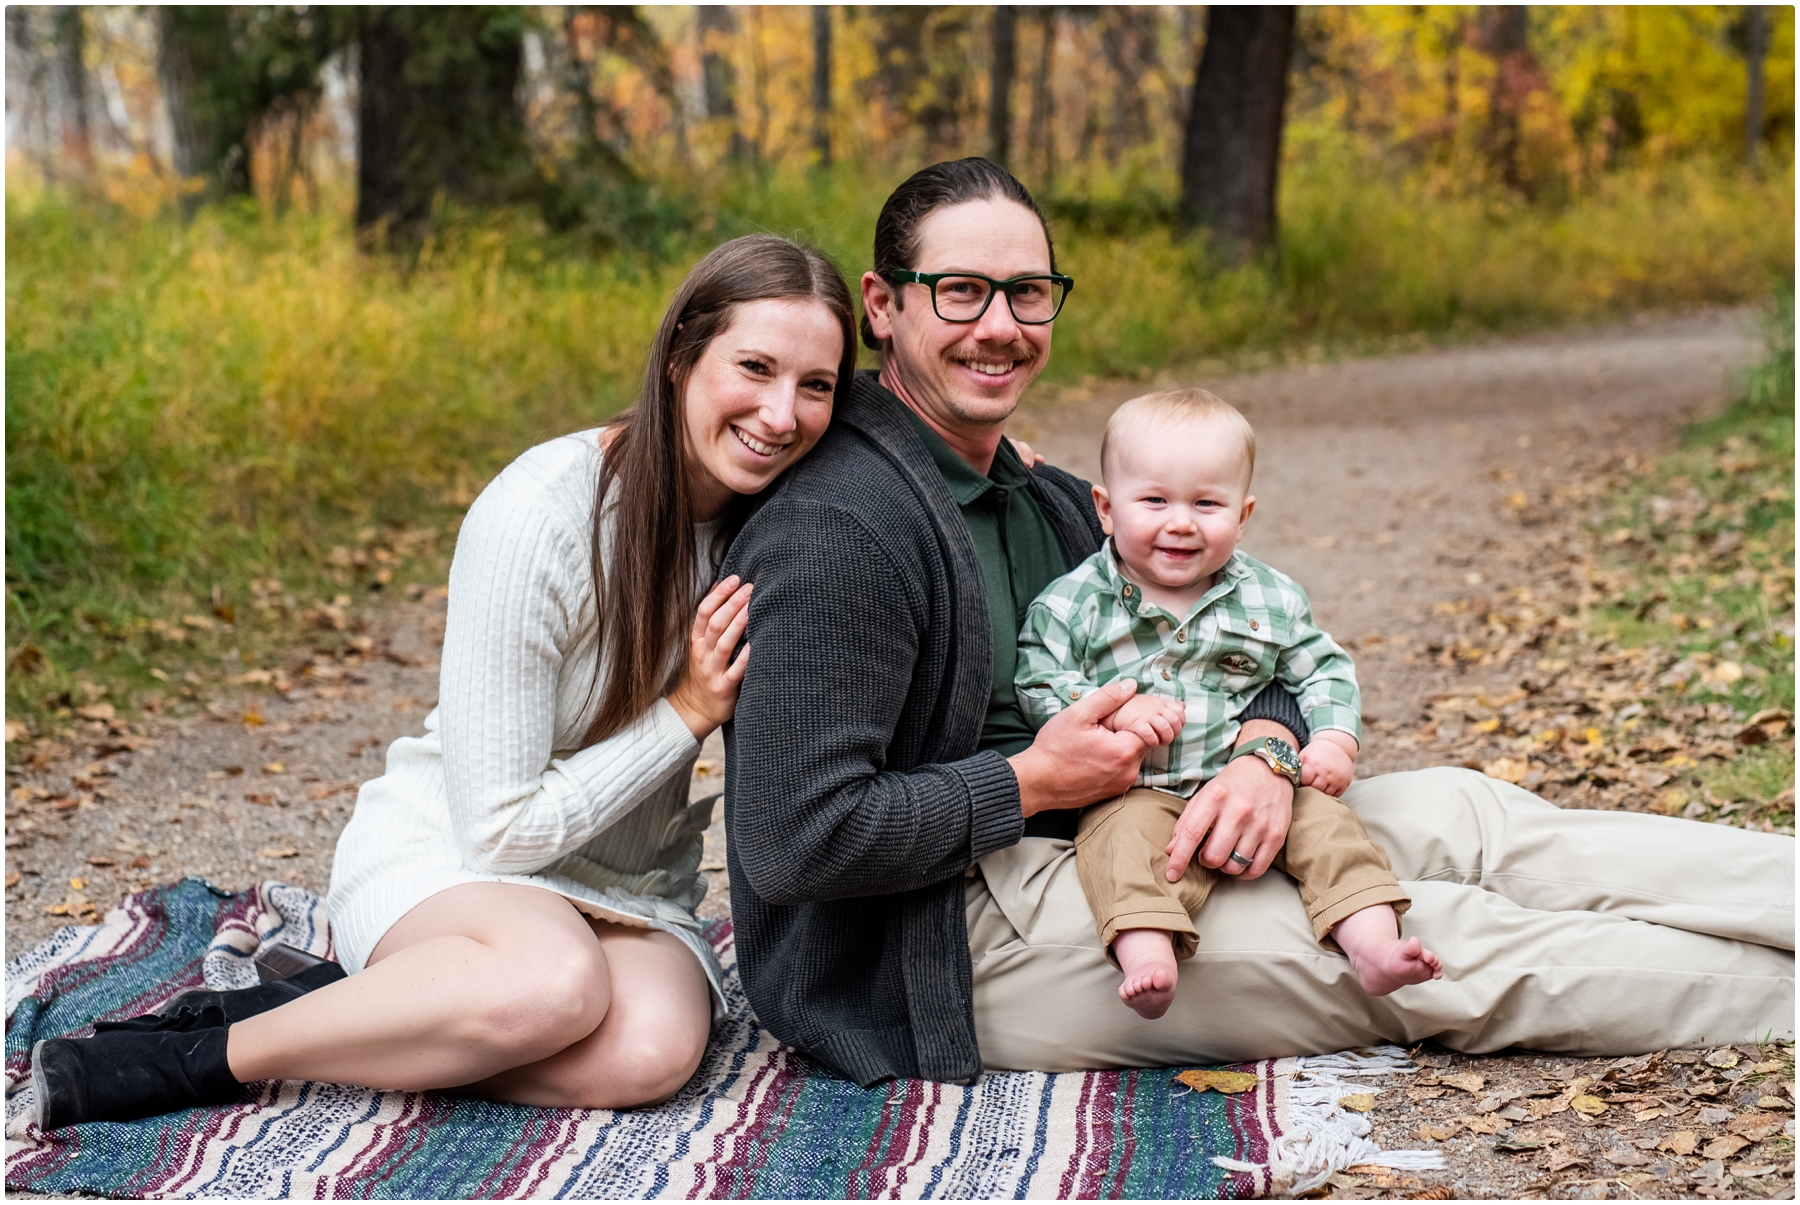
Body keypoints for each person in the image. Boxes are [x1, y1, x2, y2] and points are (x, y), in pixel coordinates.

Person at [721, 157, 1793, 1083]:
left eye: (1028, 292)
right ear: (883, 304)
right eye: (959, 291)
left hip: (1134, 819)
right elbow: (793, 841)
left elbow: (1233, 628)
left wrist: (1265, 750)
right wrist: (1035, 782)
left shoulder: (1037, 492)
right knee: (1445, 937)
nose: (1000, 326)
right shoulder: (840, 534)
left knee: (1477, 819)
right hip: (942, 945)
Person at [30, 234, 860, 1130]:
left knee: (650, 1053)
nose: (782, 413)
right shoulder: (540, 514)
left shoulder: (778, 524)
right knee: (551, 986)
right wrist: (685, 713)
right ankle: (201, 1052)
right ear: (677, 359)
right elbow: (497, 828)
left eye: (815, 386)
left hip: (620, 888)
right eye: (755, 367)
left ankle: (370, 1011)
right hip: (457, 854)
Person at [1015, 387, 1441, 1021]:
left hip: (1250, 773)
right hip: (1136, 789)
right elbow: (1039, 680)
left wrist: (1333, 740)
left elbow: (1320, 669)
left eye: (1206, 503)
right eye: (1154, 500)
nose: (1181, 521)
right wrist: (1114, 712)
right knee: (1116, 848)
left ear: (1242, 516)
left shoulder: (1268, 598)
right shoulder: (1073, 603)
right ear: (1105, 508)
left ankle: (1375, 947)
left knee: (1332, 828)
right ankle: (1148, 956)